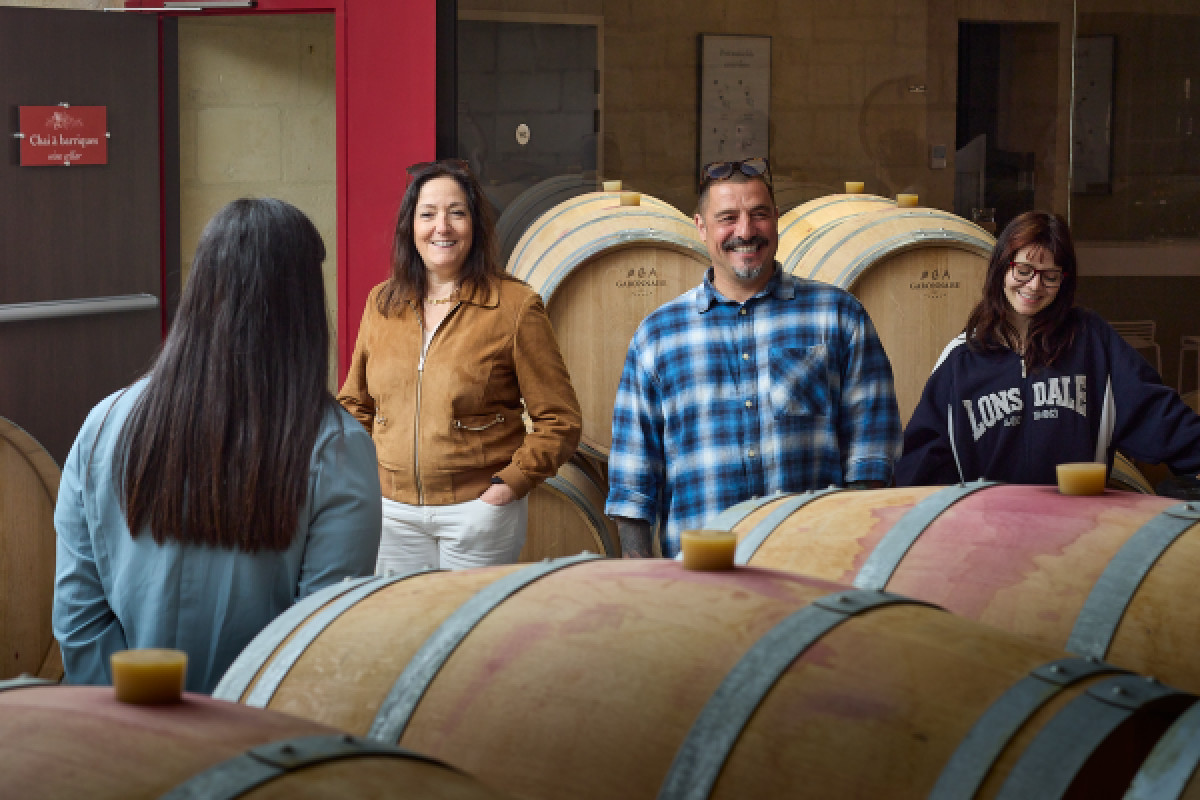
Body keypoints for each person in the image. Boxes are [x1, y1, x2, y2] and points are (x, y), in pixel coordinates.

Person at [53, 198, 382, 694]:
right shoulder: (336, 449)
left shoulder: (102, 424)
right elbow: (318, 641)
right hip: (257, 749)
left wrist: (136, 712)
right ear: (303, 309)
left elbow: (78, 614)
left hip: (122, 730)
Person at [605, 157, 902, 559]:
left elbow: (872, 454)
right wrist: (639, 576)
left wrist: (853, 557)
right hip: (702, 573)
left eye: (758, 215)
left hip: (810, 563)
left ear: (776, 219)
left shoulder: (837, 315)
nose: (745, 232)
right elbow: (633, 481)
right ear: (701, 226)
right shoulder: (658, 335)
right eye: (728, 217)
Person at [338, 159, 581, 573]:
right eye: (428, 214)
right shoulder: (382, 304)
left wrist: (510, 484)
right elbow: (354, 405)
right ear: (410, 227)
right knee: (405, 631)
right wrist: (365, 481)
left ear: (475, 225)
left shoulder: (514, 307)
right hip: (391, 515)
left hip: (477, 513)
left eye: (456, 213)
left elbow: (559, 419)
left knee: (470, 633)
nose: (442, 227)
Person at [895, 210, 1200, 485]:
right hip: (986, 531)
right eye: (1024, 270)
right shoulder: (962, 357)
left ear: (1063, 281)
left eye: (1050, 276)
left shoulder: (1091, 341)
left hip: (1077, 528)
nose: (1034, 286)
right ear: (1002, 268)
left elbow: (1155, 413)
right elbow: (923, 460)